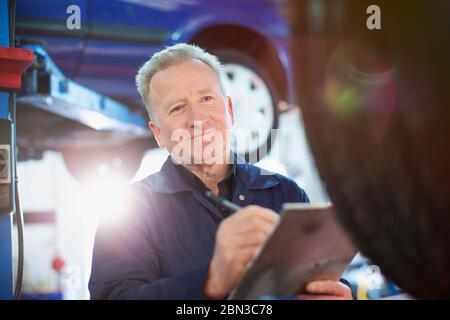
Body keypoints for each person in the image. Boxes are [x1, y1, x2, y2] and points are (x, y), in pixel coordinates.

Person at [88, 43, 352, 300]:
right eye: (177, 108)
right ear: (158, 134)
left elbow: (318, 277)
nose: (198, 120)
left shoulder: (286, 194)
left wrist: (339, 293)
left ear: (229, 111)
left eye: (206, 98)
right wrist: (210, 281)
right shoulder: (129, 213)